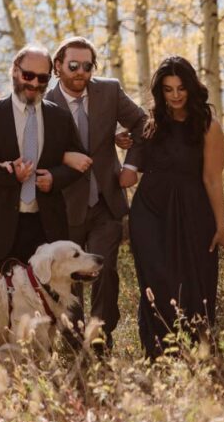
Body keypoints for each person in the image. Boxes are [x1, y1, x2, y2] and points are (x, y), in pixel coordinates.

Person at [45, 37, 147, 352]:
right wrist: (64, 157)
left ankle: (100, 334)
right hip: (64, 206)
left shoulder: (110, 91)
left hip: (106, 202)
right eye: (72, 65)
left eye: (87, 66)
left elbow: (143, 123)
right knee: (69, 275)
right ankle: (75, 341)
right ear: (58, 66)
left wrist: (131, 165)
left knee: (105, 268)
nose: (80, 72)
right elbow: (34, 150)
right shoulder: (43, 103)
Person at [129, 55, 224, 359]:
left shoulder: (208, 126)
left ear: (192, 87)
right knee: (157, 285)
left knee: (195, 284)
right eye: (168, 89)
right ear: (160, 91)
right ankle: (159, 358)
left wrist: (221, 226)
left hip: (193, 213)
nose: (175, 95)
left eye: (181, 88)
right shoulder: (152, 123)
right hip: (149, 214)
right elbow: (137, 162)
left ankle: (196, 355)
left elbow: (212, 178)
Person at [0, 45, 84, 274]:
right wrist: (7, 174)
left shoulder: (60, 118)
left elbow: (78, 163)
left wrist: (55, 178)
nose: (34, 83)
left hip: (47, 232)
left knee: (49, 308)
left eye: (42, 78)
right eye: (28, 75)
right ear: (15, 71)